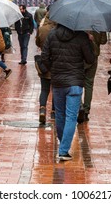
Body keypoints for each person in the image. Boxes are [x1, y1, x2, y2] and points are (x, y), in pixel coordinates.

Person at [41, 24, 95, 161]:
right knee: (71, 116)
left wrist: (53, 69)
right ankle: (64, 150)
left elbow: (44, 57)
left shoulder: (52, 35)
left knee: (60, 114)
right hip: (75, 82)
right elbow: (90, 59)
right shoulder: (82, 36)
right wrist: (90, 42)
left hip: (58, 81)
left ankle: (63, 144)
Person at [78, 31, 107, 123]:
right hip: (94, 57)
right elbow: (103, 41)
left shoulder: (80, 22)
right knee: (89, 84)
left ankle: (79, 106)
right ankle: (86, 110)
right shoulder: (100, 24)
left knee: (77, 82)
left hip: (81, 57)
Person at [35, 17, 56, 124]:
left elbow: (37, 43)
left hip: (44, 62)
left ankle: (42, 110)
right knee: (55, 90)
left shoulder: (42, 29)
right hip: (57, 64)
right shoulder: (58, 30)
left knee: (44, 89)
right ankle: (53, 111)